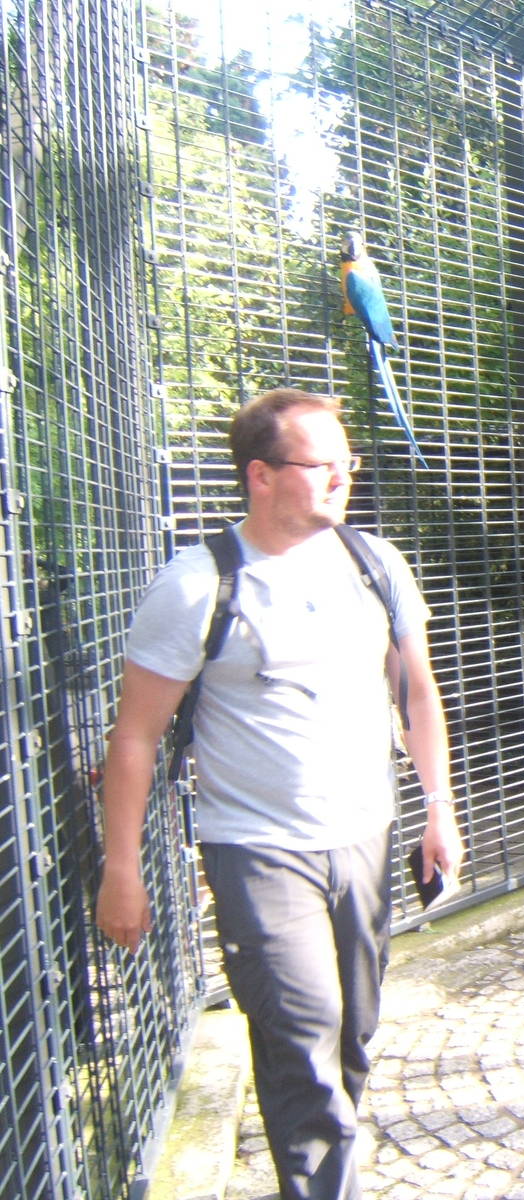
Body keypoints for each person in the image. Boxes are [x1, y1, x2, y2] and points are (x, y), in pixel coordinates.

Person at [95, 388, 463, 1200]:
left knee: (352, 1037)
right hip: (258, 850)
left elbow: (418, 695)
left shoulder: (376, 563)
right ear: (260, 476)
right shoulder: (199, 585)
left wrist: (439, 811)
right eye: (321, 465)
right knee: (301, 1040)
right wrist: (121, 868)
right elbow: (135, 735)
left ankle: (325, 1162)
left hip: (366, 836)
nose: (342, 479)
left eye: (348, 463)